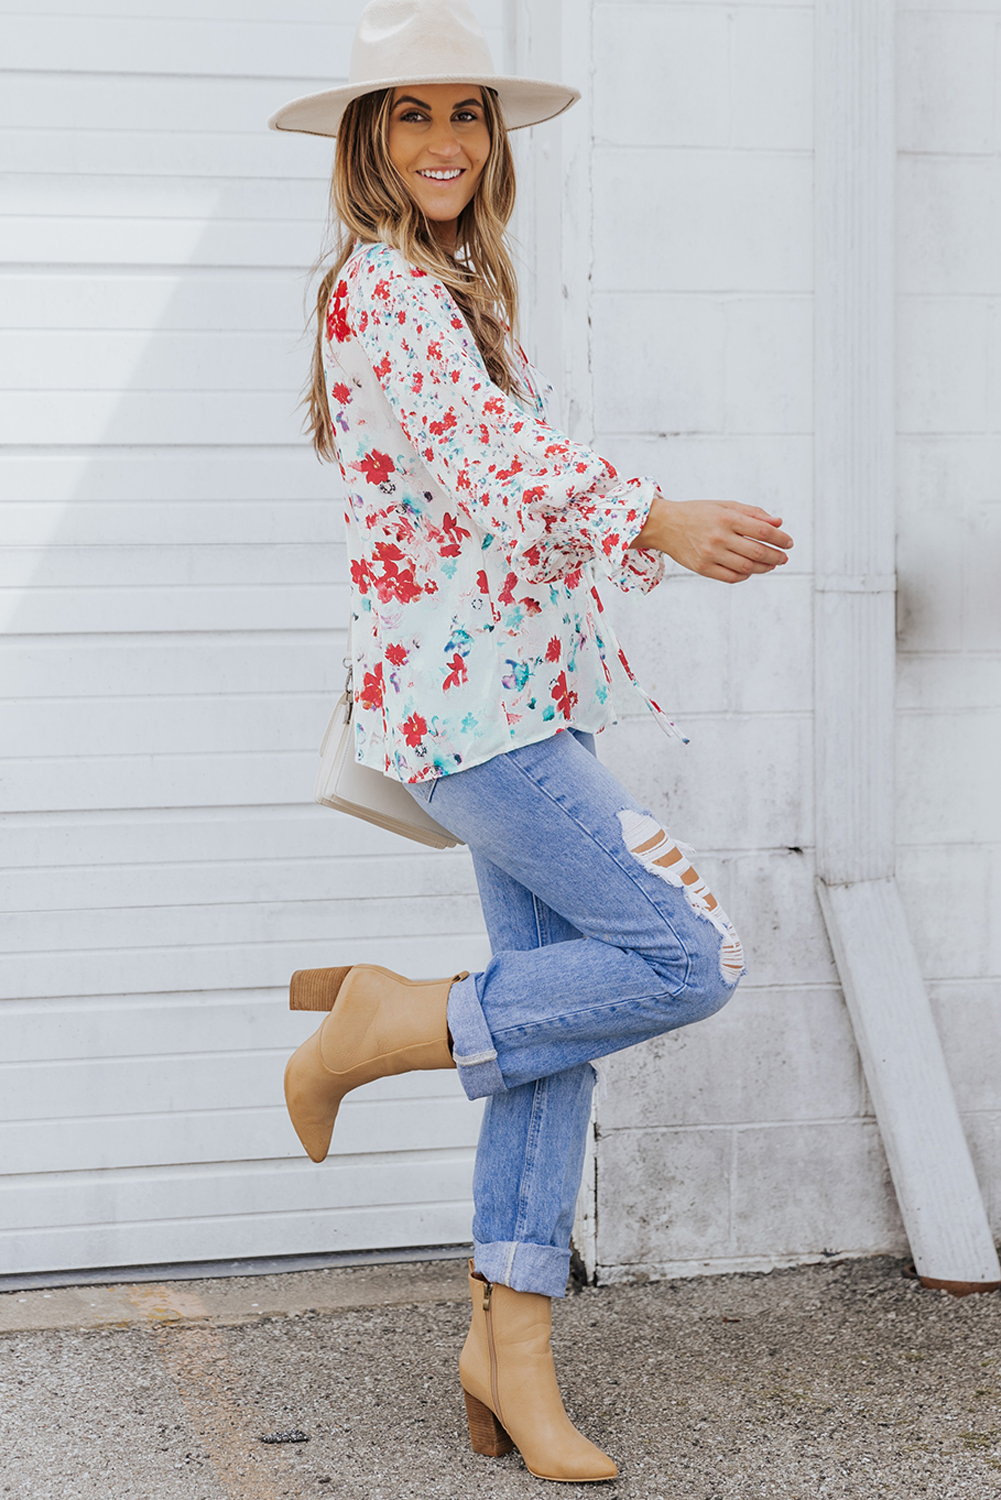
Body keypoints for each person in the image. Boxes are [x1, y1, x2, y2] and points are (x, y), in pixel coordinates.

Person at [270, 0, 793, 1483]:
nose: (444, 140)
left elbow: (504, 507)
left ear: (490, 141)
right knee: (687, 955)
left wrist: (636, 542)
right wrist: (659, 518)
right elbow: (501, 466)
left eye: (466, 114)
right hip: (473, 719)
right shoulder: (380, 292)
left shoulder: (459, 287)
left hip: (513, 699)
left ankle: (508, 1352)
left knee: (544, 1040)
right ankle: (382, 1017)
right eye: (413, 115)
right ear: (368, 142)